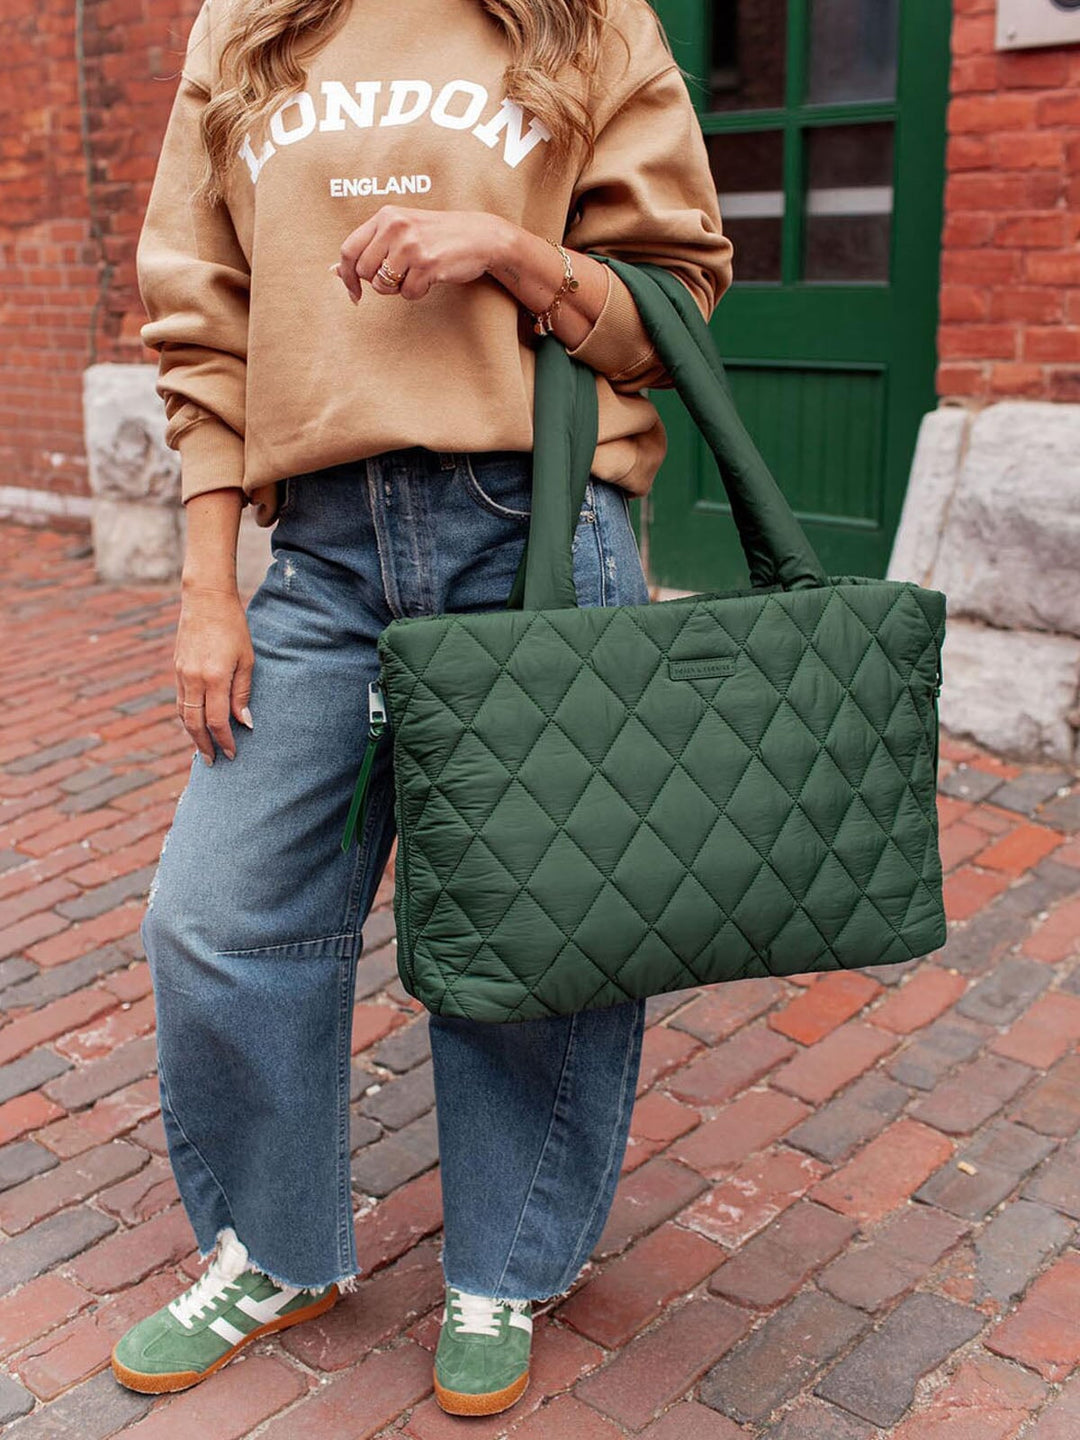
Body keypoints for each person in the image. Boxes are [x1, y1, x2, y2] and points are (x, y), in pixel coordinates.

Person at [110, 0, 733, 1416]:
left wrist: (511, 251)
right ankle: (276, 1249)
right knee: (218, 913)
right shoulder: (250, 24)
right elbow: (200, 323)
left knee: (533, 933)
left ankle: (503, 1265)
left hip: (533, 529)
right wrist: (210, 584)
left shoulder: (584, 19)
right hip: (322, 548)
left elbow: (672, 308)